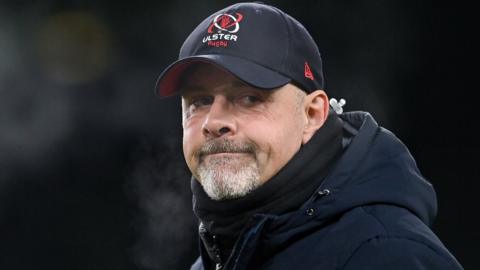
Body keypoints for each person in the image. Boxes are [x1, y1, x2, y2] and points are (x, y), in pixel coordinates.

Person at [154, 2, 463, 270]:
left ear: (313, 115)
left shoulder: (388, 255)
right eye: (199, 101)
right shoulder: (216, 255)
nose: (214, 121)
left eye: (250, 98)